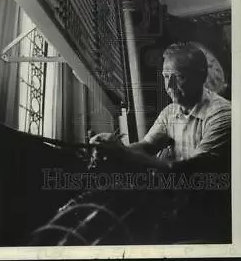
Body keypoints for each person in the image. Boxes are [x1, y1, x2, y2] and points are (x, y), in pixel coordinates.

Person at [90, 42, 231, 172]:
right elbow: (146, 147)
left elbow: (193, 169)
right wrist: (115, 149)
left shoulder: (222, 114)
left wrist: (124, 154)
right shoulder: (171, 112)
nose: (169, 86)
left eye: (179, 77)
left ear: (201, 76)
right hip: (182, 194)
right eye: (166, 77)